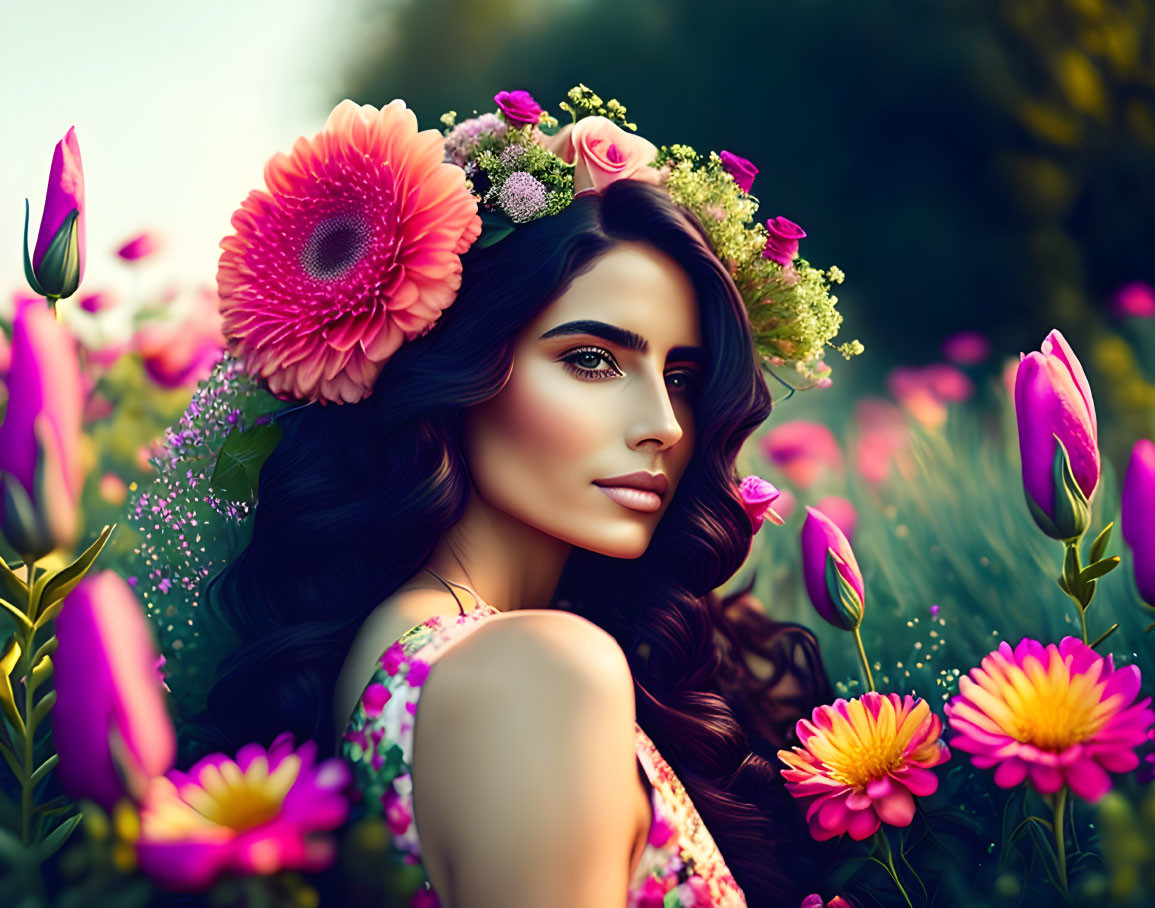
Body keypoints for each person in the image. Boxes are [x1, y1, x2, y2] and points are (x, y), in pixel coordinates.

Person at [195, 94, 838, 907]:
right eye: (593, 360)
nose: (665, 425)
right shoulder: (534, 672)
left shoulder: (414, 655)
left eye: (679, 376)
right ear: (456, 370)